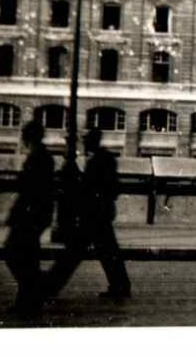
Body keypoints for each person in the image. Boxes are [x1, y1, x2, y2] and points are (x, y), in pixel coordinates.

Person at [43, 129, 132, 301]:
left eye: (87, 141)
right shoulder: (105, 158)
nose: (84, 144)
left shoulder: (98, 160)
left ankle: (50, 287)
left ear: (92, 142)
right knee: (107, 252)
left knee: (75, 253)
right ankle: (121, 286)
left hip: (94, 214)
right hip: (99, 213)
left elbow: (89, 186)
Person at [4, 120, 55, 317]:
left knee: (15, 254)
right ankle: (29, 300)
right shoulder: (43, 156)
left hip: (30, 215)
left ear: (27, 137)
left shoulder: (38, 158)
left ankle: (32, 297)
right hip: (36, 215)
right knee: (27, 258)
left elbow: (30, 188)